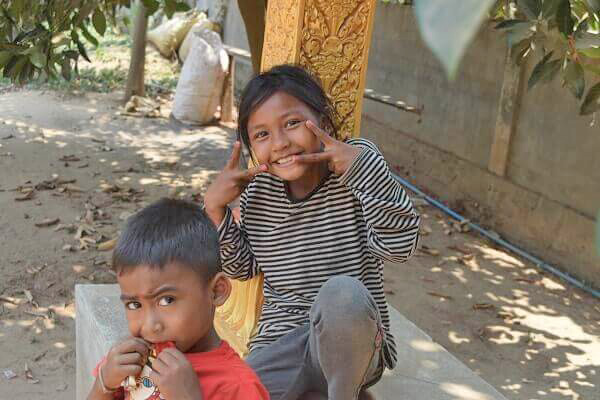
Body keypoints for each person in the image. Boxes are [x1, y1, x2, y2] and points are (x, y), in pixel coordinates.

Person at [203, 65, 421, 400]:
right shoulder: (259, 191)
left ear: (323, 120)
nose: (280, 143)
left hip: (350, 339)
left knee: (342, 293)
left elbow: (400, 246)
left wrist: (363, 170)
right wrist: (216, 212)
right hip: (281, 341)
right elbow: (241, 269)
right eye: (261, 135)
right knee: (236, 391)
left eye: (291, 123)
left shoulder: (357, 165)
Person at [87, 198, 270, 400]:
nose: (150, 326)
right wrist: (104, 384)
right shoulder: (132, 360)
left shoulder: (239, 386)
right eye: (134, 304)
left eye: (167, 300)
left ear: (216, 292)